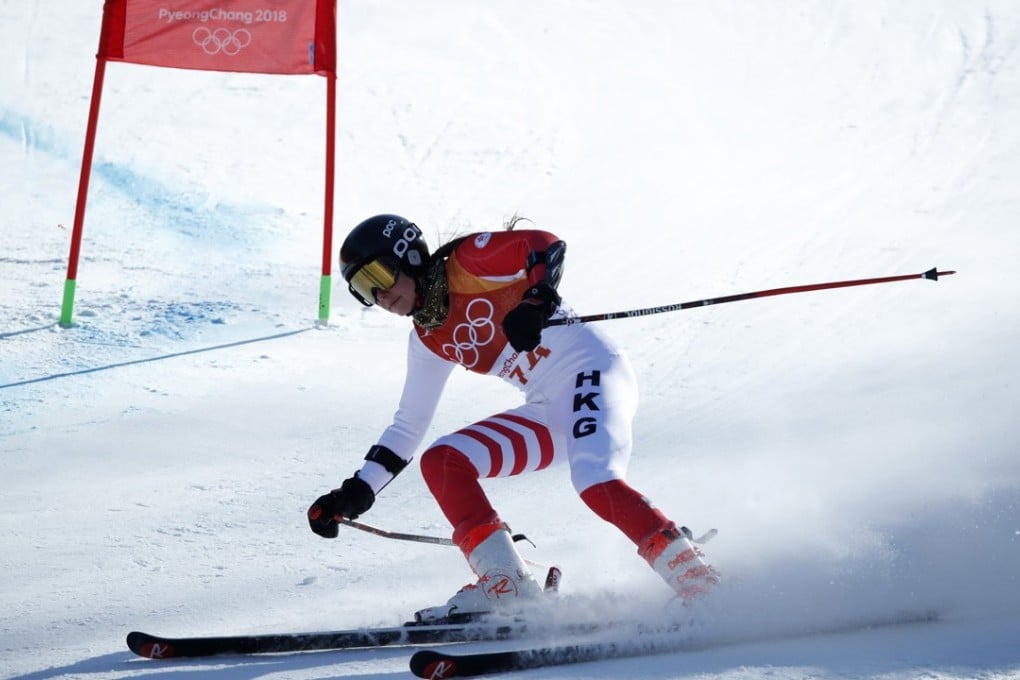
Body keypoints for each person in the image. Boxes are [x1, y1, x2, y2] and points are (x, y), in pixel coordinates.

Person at [308, 214, 717, 620]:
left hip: (593, 373)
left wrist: (537, 300)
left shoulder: (467, 265)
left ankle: (699, 582)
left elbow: (544, 244)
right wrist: (356, 491)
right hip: (548, 411)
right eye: (364, 289)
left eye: (378, 275)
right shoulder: (427, 338)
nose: (379, 294)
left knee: (594, 478)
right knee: (444, 461)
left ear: (408, 256)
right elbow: (407, 427)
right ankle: (509, 586)